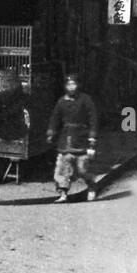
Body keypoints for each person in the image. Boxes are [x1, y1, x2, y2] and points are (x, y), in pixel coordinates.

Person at [46, 73, 100, 202]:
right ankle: (63, 193)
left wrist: (92, 137)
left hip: (81, 138)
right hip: (65, 139)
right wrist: (51, 133)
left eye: (74, 84)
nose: (71, 87)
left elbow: (93, 119)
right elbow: (55, 118)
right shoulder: (61, 101)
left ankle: (92, 186)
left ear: (78, 85)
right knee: (63, 168)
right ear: (65, 86)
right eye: (69, 84)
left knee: (82, 169)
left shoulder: (85, 100)